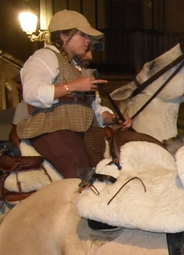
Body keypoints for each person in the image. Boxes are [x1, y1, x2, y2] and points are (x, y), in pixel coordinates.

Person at [17, 10, 119, 179]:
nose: (88, 41)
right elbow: (32, 92)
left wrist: (115, 118)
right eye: (82, 35)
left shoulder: (77, 68)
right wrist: (73, 86)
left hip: (85, 132)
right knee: (81, 176)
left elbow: (93, 110)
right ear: (63, 36)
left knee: (105, 175)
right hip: (53, 129)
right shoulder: (45, 56)